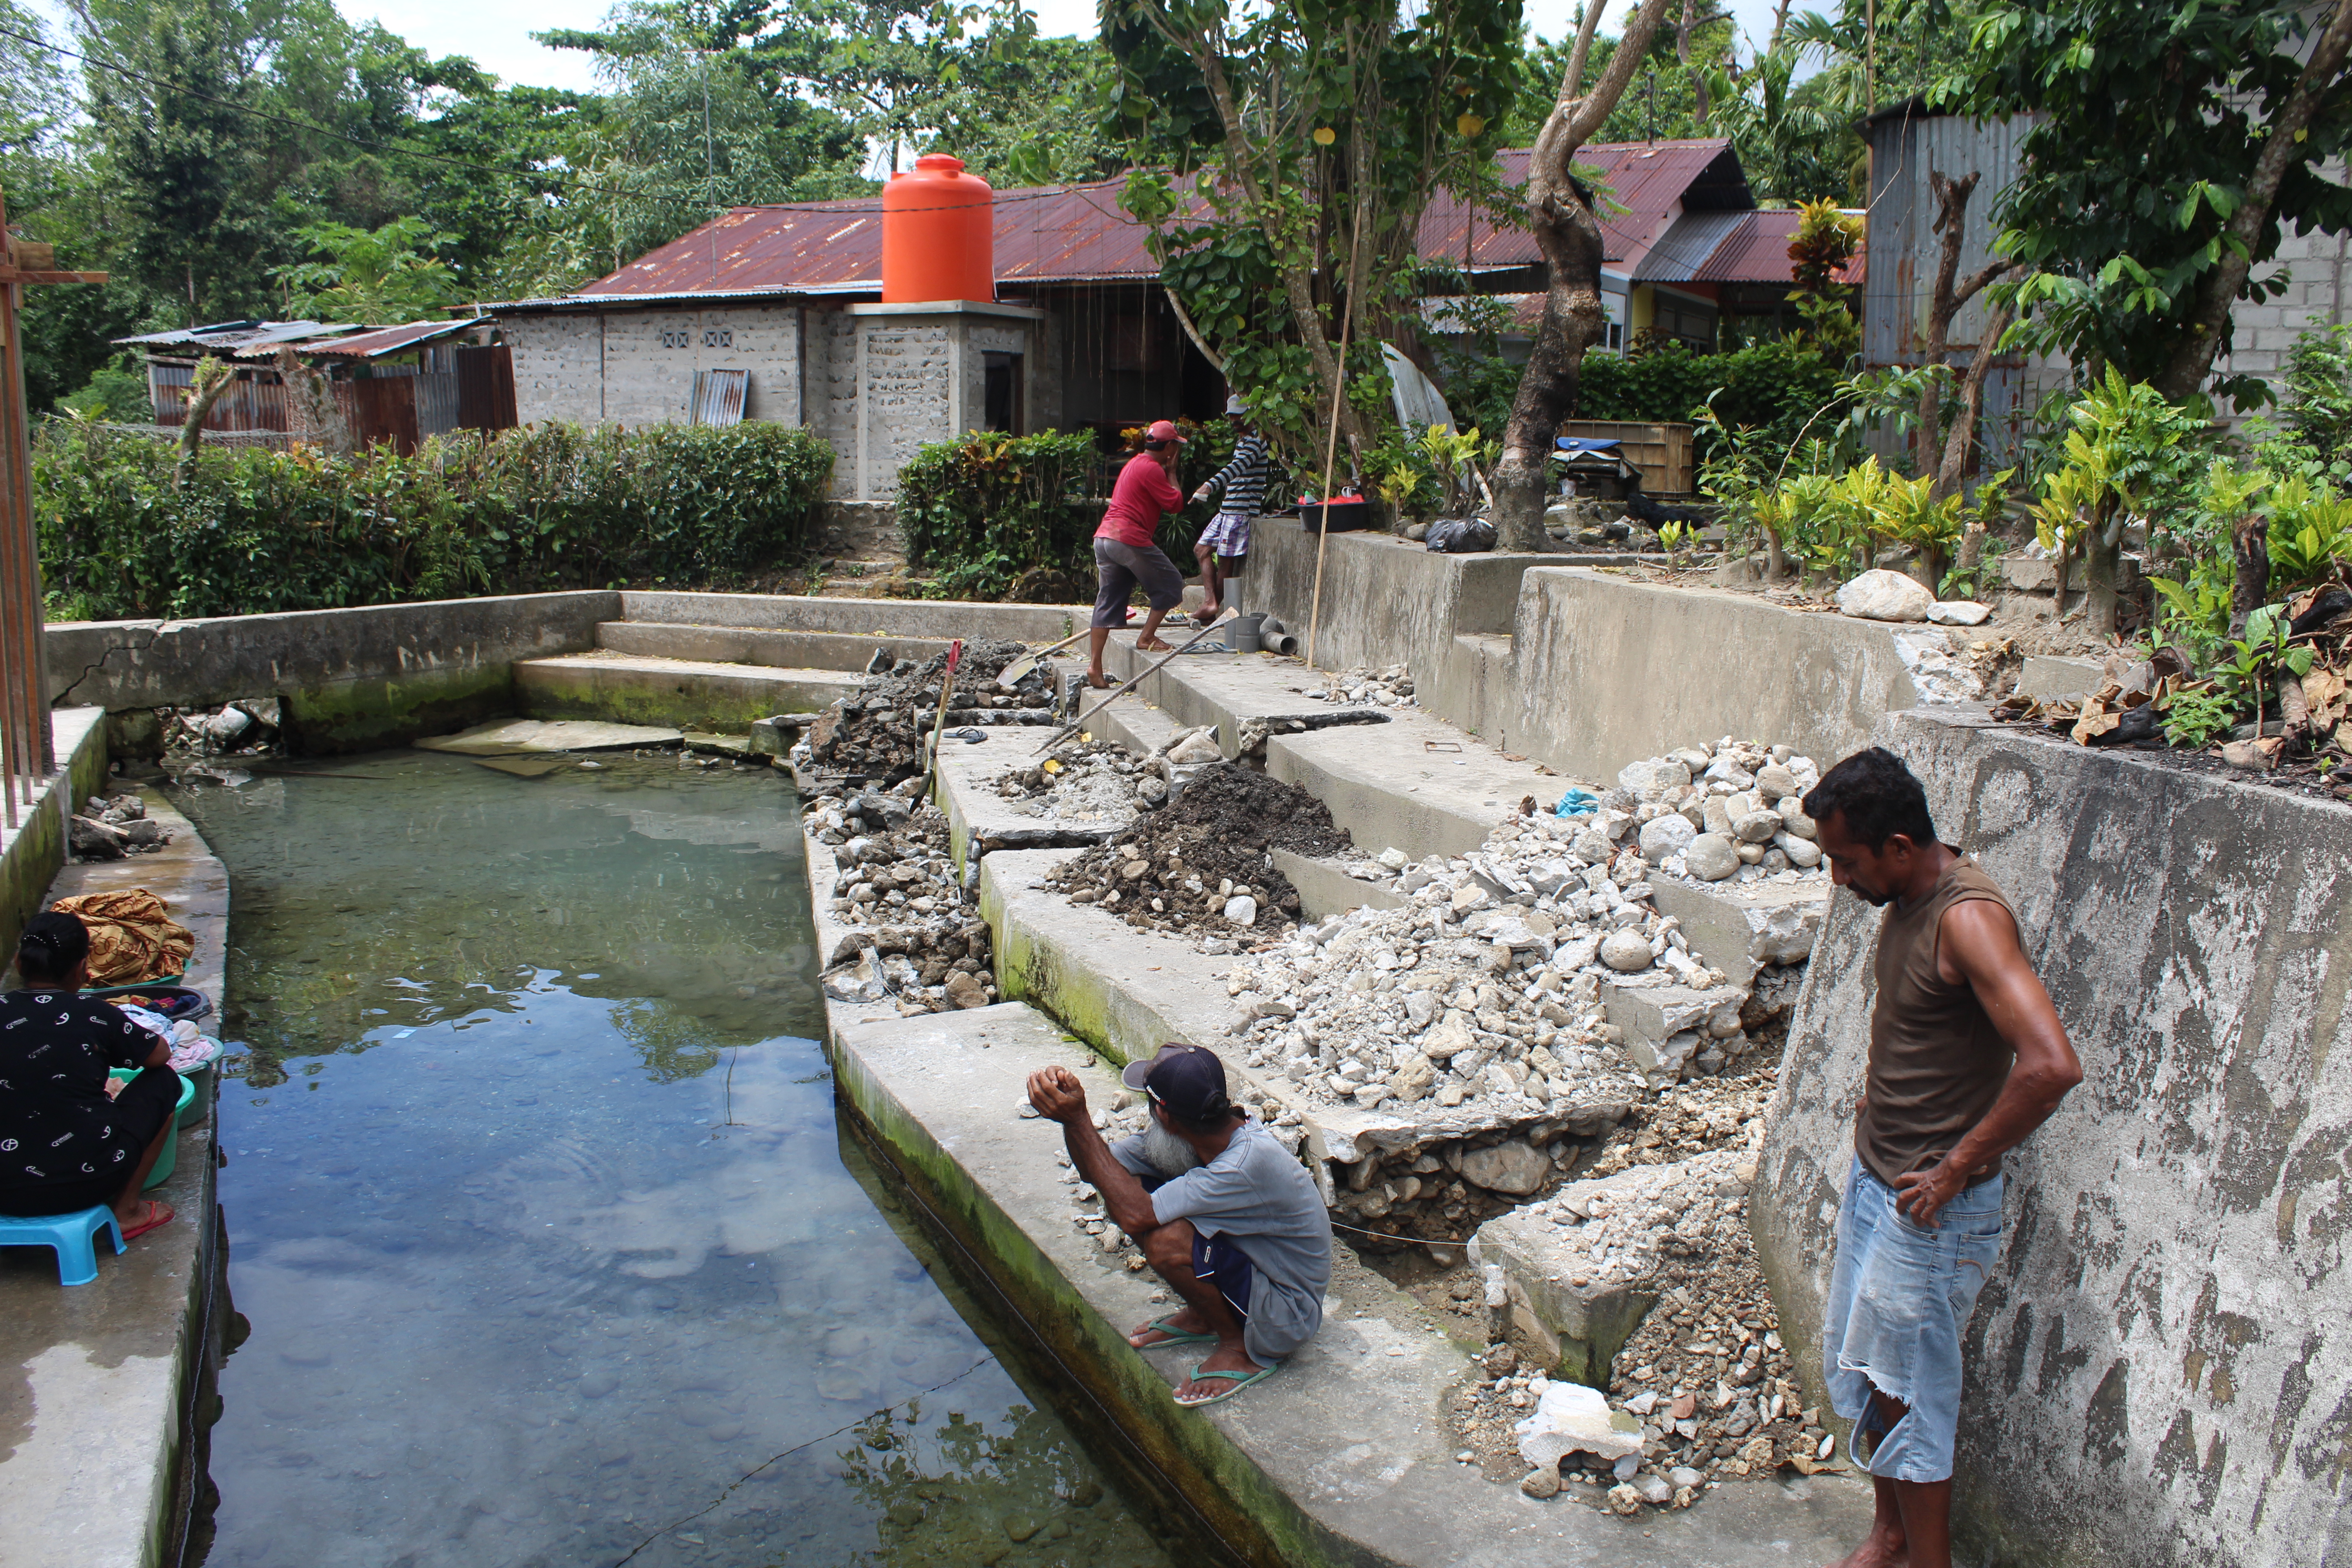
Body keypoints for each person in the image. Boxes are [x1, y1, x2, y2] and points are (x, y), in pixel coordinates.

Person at [1802, 748, 2082, 1568]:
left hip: (1930, 1211)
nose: (1838, 879)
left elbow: (2051, 1065)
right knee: (1867, 1373)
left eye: (1846, 861)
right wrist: (1879, 1102)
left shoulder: (1968, 920)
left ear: (1898, 847)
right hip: (1879, 1180)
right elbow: (1924, 1030)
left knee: (1912, 1399)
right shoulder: (1905, 893)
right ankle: (1889, 1535)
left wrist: (1956, 1167)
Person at [1024, 1041, 1330, 1407]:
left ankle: (1239, 1349)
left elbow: (1135, 1214)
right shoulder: (1203, 1133)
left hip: (1287, 1315)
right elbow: (1100, 1171)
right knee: (1126, 1187)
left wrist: (1077, 1120)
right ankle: (1205, 1317)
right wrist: (1073, 1122)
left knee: (1165, 1240)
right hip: (1256, 1272)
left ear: (1165, 1117)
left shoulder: (1243, 1163)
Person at [0, 911, 179, 1239]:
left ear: (19, 963)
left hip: (5, 1191)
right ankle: (126, 1210)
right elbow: (160, 1056)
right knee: (166, 1081)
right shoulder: (95, 1013)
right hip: (89, 1183)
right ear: (82, 969)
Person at [1088, 419, 1190, 689]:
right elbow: (1175, 504)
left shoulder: (1134, 463)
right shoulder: (1152, 469)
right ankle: (1147, 637)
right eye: (1176, 446)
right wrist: (1172, 472)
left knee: (1108, 601)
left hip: (1104, 538)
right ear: (1169, 447)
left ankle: (1095, 666)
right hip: (1127, 539)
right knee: (1171, 583)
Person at [1188, 396, 1273, 623]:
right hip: (1228, 509)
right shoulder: (1243, 441)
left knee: (1226, 561)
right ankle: (1211, 603)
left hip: (1241, 511)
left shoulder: (1256, 441)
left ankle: (1211, 606)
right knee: (1202, 549)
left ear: (1252, 415)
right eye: (1232, 416)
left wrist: (1209, 486)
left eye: (1239, 415)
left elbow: (1236, 468)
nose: (1235, 420)